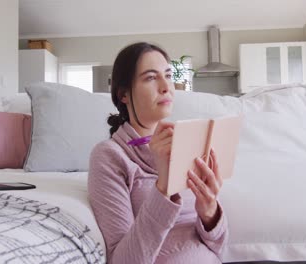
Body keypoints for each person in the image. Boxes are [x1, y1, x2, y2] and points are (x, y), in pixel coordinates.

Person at [88, 42, 228, 263]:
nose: (166, 87)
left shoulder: (187, 142)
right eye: (151, 78)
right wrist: (163, 187)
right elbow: (123, 260)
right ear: (124, 94)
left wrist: (210, 211)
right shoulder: (110, 156)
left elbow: (218, 247)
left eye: (168, 75)